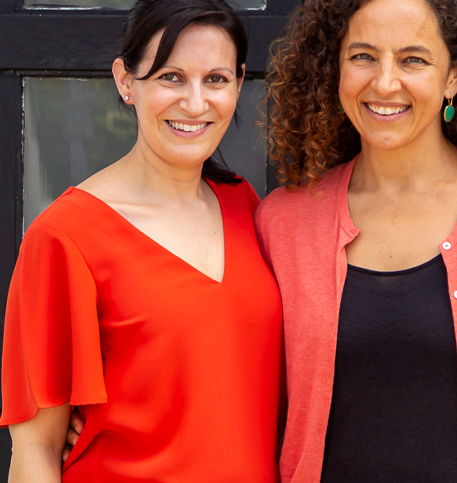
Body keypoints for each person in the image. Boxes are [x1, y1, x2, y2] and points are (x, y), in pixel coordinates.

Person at [256, 0, 457, 481]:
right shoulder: (283, 223)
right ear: (336, 66)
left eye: (413, 59)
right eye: (363, 56)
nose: (385, 82)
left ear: (455, 74)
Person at [0, 0, 283, 481]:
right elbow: (36, 451)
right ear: (125, 81)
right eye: (170, 77)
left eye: (215, 79)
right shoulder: (65, 236)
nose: (195, 104)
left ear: (238, 83)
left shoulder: (245, 206)